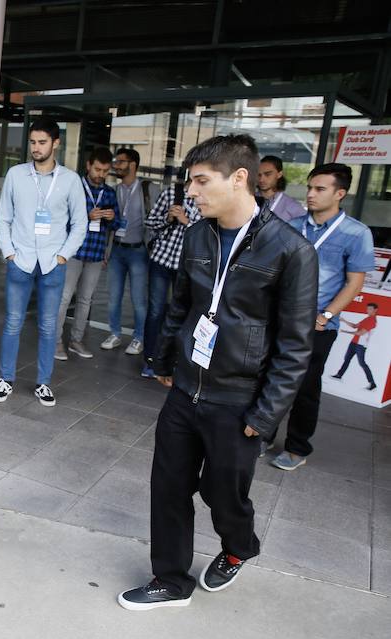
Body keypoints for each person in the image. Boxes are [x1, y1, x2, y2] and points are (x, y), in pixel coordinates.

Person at [118, 134, 317, 610]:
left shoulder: (292, 251)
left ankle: (239, 546)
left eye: (202, 181)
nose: (193, 192)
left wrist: (267, 414)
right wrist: (164, 359)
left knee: (222, 493)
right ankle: (170, 579)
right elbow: (180, 304)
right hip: (186, 389)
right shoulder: (198, 234)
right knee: (168, 486)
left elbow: (294, 346)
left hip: (240, 400)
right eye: (191, 182)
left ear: (239, 178)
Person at [266, 163, 375, 470]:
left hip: (316, 324)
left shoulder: (356, 233)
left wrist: (326, 316)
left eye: (319, 189)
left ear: (340, 193)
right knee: (267, 377)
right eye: (310, 188)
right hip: (279, 316)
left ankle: (297, 448)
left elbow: (354, 282)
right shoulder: (293, 224)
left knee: (304, 387)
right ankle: (262, 434)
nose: (310, 194)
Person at [0, 116, 86, 407]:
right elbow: (2, 218)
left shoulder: (70, 180)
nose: (36, 147)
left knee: (48, 326)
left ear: (56, 143)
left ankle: (44, 383)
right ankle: (6, 379)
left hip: (51, 264)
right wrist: (9, 253)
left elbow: (79, 224)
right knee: (12, 323)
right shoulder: (15, 175)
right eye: (32, 142)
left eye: (42, 142)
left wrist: (61, 256)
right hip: (20, 260)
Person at [55, 147, 122, 361]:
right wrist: (87, 215)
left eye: (105, 171)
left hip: (95, 253)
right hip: (73, 251)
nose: (101, 174)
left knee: (86, 299)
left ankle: (76, 340)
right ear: (88, 166)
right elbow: (61, 219)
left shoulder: (110, 193)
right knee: (64, 298)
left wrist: (111, 218)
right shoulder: (75, 187)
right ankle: (55, 342)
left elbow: (118, 224)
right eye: (97, 169)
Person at [140, 182, 203, 378]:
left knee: (180, 314)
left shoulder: (207, 198)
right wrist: (168, 218)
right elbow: (149, 222)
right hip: (161, 259)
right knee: (156, 311)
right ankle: (149, 360)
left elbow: (209, 233)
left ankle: (172, 361)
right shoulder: (172, 192)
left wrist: (187, 221)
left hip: (187, 265)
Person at [101, 148, 159, 356]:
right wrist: (107, 250)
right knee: (113, 297)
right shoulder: (115, 190)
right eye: (116, 162)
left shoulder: (148, 188)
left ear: (133, 164)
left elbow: (157, 220)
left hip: (139, 252)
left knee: (138, 299)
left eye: (120, 162)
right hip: (117, 250)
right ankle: (115, 333)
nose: (116, 166)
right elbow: (111, 224)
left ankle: (139, 338)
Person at [333, 303, 380, 391]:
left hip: (361, 345)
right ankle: (339, 375)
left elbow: (360, 333)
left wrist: (344, 331)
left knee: (362, 363)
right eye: (367, 309)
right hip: (354, 343)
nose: (368, 310)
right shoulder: (367, 318)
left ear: (375, 310)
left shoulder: (372, 321)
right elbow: (355, 326)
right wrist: (344, 320)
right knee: (347, 359)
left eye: (370, 309)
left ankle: (372, 383)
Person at [257, 155, 305, 221]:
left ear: (279, 174)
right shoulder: (249, 199)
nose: (261, 179)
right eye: (259, 175)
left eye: (267, 174)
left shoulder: (294, 207)